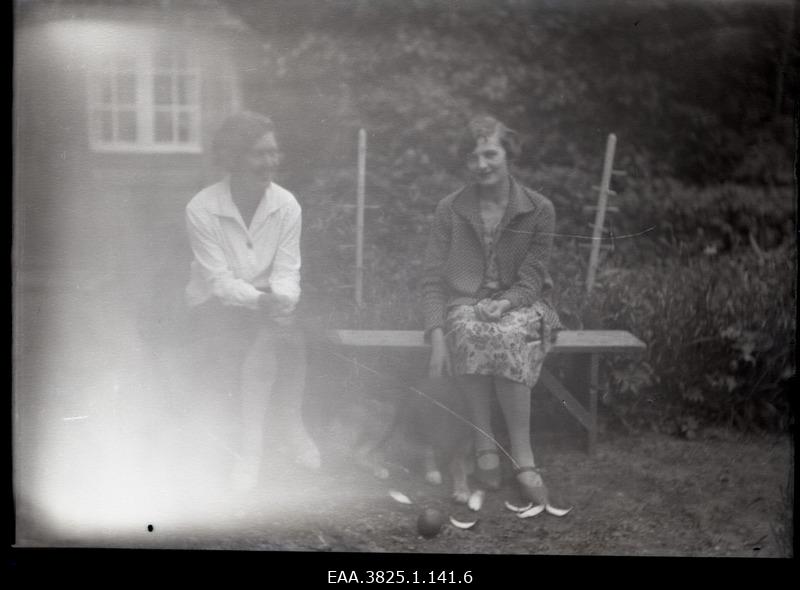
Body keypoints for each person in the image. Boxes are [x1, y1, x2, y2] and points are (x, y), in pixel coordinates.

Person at [421, 115, 560, 505]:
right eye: (472, 157)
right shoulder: (449, 209)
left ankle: (523, 457)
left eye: (489, 153)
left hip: (525, 302)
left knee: (509, 333)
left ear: (507, 153)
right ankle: (483, 444)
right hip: (466, 305)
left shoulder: (538, 208)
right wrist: (435, 336)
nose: (481, 165)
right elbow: (432, 279)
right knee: (465, 328)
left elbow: (533, 276)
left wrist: (505, 302)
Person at [184, 111, 320, 492]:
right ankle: (253, 448)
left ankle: (281, 431)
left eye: (274, 152)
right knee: (267, 337)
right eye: (259, 154)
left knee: (285, 334)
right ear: (234, 158)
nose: (270, 162)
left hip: (271, 302)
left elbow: (288, 269)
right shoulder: (202, 208)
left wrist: (281, 301)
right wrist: (264, 304)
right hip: (216, 305)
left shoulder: (287, 204)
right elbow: (219, 280)